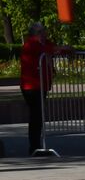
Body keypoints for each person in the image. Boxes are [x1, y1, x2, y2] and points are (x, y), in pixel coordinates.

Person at [19, 22, 61, 156]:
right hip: (32, 86)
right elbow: (49, 50)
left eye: (44, 31)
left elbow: (53, 48)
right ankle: (34, 147)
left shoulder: (43, 43)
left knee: (38, 116)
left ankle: (37, 146)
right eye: (41, 32)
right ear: (34, 34)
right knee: (36, 116)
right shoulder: (31, 44)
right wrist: (62, 48)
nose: (44, 33)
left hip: (40, 85)